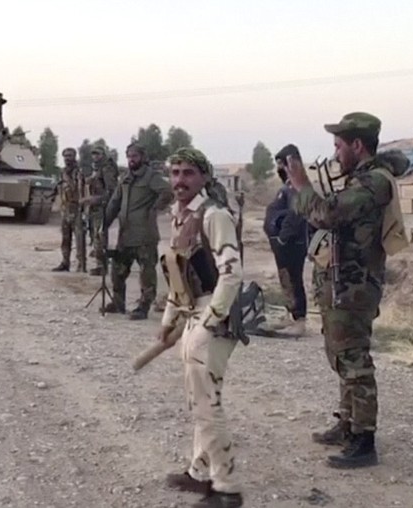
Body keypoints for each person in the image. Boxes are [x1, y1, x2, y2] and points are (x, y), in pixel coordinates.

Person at [286, 112, 406, 469]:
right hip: (341, 281)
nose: (336, 153)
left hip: (354, 286)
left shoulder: (373, 183)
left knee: (354, 360)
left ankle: (364, 440)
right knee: (341, 355)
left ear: (357, 145)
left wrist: (301, 185)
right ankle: (349, 422)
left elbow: (326, 215)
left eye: (339, 145)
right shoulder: (360, 179)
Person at [159, 147, 244, 508]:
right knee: (201, 400)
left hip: (214, 315)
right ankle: (198, 472)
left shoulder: (214, 215)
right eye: (175, 172)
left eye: (188, 173)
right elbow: (180, 274)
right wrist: (169, 320)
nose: (180, 180)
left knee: (207, 404)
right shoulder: (180, 216)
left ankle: (226, 488)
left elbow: (232, 272)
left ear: (204, 177)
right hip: (195, 310)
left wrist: (210, 321)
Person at [102, 143, 173, 320]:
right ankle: (118, 303)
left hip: (144, 235)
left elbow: (167, 192)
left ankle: (143, 306)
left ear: (142, 157)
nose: (131, 160)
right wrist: (104, 224)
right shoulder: (125, 179)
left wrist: (155, 208)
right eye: (129, 156)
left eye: (134, 156)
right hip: (125, 235)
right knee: (117, 271)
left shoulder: (150, 177)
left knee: (146, 274)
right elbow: (114, 203)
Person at [263, 144, 309, 336]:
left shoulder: (298, 188)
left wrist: (282, 238)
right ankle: (290, 314)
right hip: (283, 242)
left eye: (282, 164)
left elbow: (296, 214)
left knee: (294, 278)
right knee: (286, 280)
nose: (279, 168)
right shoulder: (288, 186)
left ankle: (299, 319)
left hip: (292, 243)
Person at [81, 144, 119, 276]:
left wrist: (94, 199)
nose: (95, 157)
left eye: (98, 154)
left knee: (100, 236)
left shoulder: (107, 169)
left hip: (102, 207)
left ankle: (102, 266)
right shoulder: (97, 169)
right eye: (93, 154)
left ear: (103, 155)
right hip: (94, 208)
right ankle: (99, 263)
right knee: (95, 235)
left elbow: (112, 191)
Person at [52, 147, 84, 272]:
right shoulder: (63, 172)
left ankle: (81, 264)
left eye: (70, 155)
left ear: (74, 157)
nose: (67, 158)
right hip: (65, 208)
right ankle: (65, 262)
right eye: (65, 156)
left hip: (77, 208)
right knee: (65, 238)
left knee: (79, 238)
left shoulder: (79, 172)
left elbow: (83, 189)